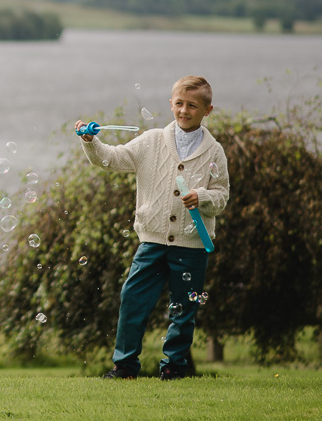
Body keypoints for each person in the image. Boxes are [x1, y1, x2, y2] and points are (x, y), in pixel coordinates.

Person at [74, 75, 230, 380]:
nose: (184, 110)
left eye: (193, 106)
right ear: (170, 104)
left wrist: (204, 196)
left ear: (208, 110)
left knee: (184, 311)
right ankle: (125, 366)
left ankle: (173, 367)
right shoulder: (151, 140)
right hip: (152, 241)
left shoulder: (215, 152)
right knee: (133, 300)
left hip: (192, 244)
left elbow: (222, 195)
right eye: (180, 103)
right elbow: (111, 159)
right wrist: (90, 141)